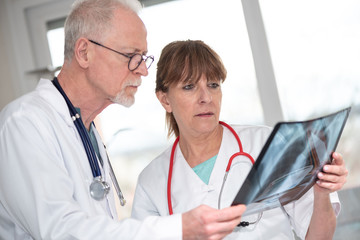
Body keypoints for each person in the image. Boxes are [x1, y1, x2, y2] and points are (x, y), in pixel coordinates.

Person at [0, 1, 246, 239]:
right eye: (131, 55)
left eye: (143, 57)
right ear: (84, 52)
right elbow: (62, 231)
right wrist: (178, 230)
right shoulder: (25, 123)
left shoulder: (86, 131)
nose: (143, 70)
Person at [131, 40, 349, 239]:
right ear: (165, 100)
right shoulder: (151, 182)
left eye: (213, 85)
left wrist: (321, 193)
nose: (206, 98)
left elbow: (319, 236)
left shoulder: (267, 144)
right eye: (189, 87)